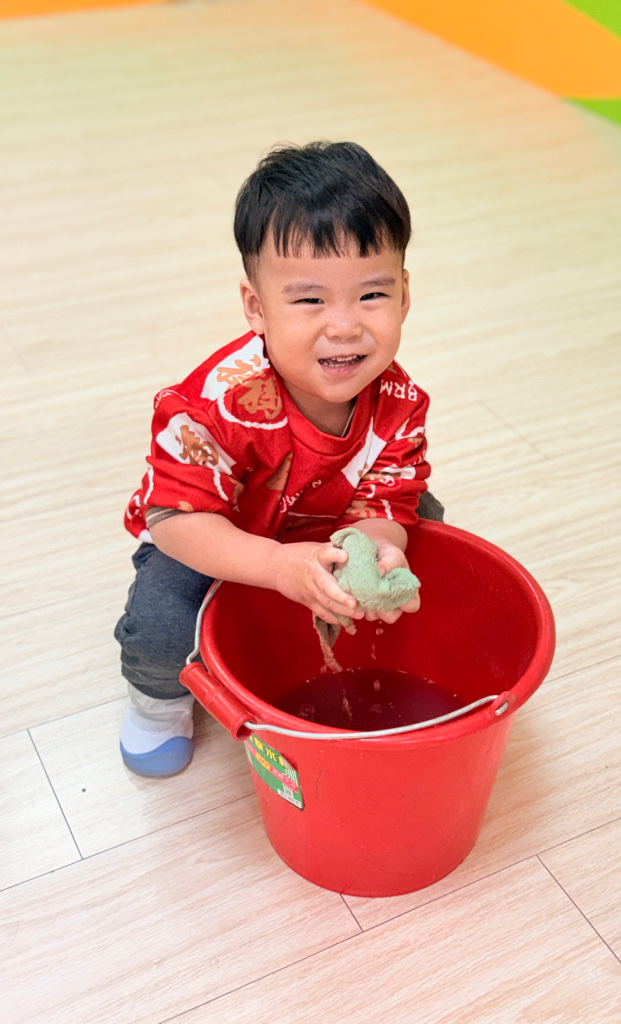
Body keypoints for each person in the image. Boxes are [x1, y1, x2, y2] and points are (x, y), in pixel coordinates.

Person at [114, 140, 444, 778]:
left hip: (326, 516)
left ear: (404, 294)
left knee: (426, 520)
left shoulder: (400, 402)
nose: (344, 326)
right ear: (256, 307)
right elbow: (175, 519)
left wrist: (379, 547)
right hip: (216, 530)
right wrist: (274, 565)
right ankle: (157, 704)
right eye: (310, 300)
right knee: (162, 622)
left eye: (371, 295)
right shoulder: (214, 408)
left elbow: (388, 494)